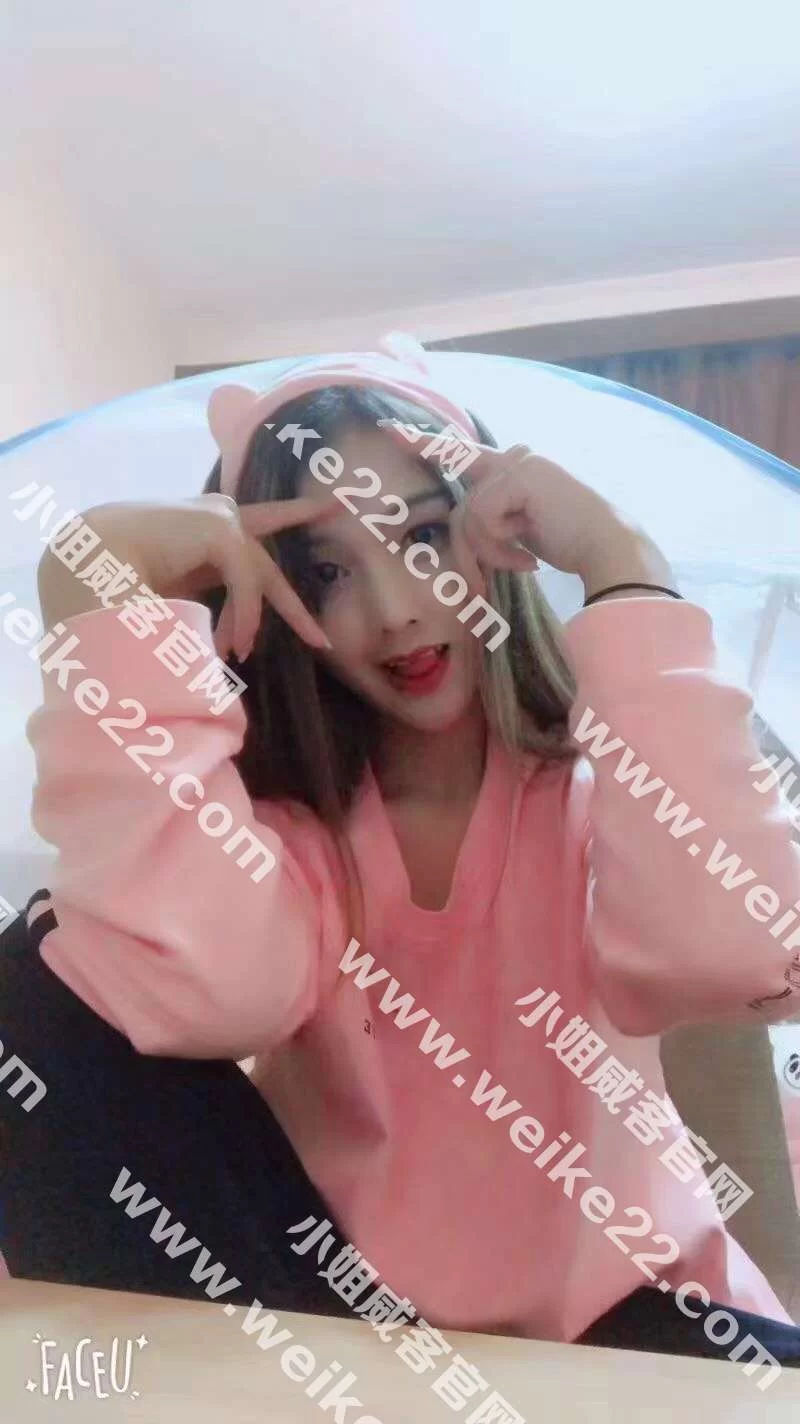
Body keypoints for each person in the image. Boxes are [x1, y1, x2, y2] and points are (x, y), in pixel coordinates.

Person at [3, 342, 800, 1371]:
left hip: (637, 1326)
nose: (396, 609)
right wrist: (93, 588)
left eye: (422, 534)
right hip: (356, 1333)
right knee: (25, 971)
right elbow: (202, 997)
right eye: (326, 572)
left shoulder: (604, 796)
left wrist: (619, 559)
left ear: (496, 539)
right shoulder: (284, 842)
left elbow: (738, 952)